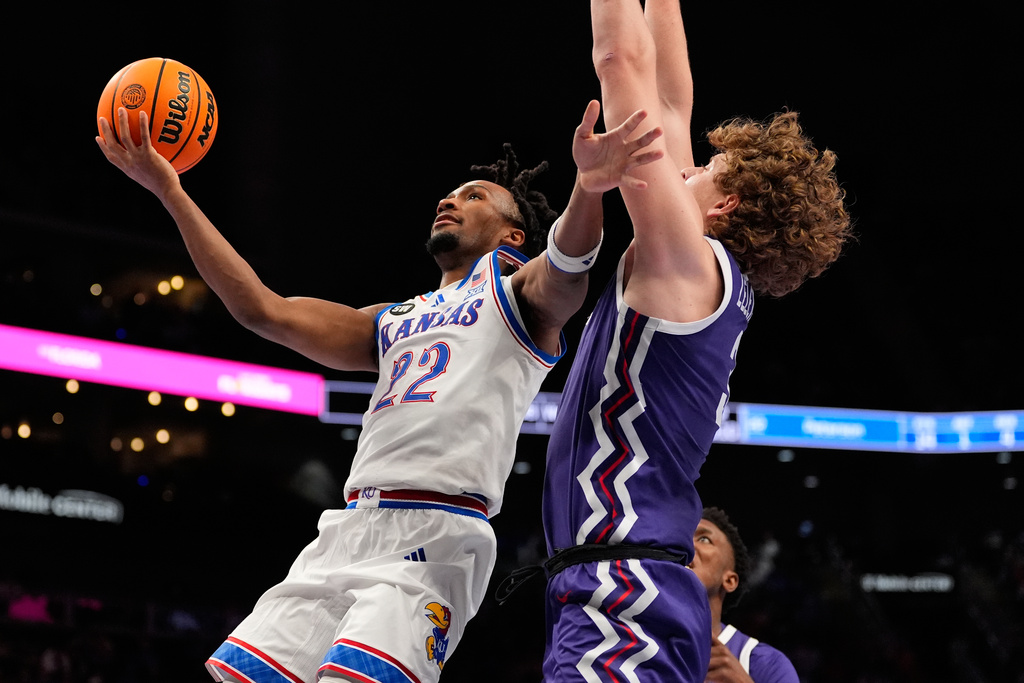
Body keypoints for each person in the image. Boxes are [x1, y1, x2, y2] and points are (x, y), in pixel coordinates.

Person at [95, 100, 662, 682]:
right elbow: (261, 310)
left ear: (513, 234)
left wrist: (590, 187)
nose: (450, 200)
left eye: (474, 197)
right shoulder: (390, 320)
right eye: (451, 194)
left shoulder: (517, 295)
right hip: (349, 525)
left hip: (437, 534)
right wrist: (171, 191)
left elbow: (569, 267)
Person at [540, 1, 851, 681]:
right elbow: (672, 101)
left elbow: (622, 64)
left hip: (625, 592)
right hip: (631, 586)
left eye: (709, 164)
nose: (690, 159)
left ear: (725, 205)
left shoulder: (687, 262)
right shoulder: (700, 273)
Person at [692, 507, 798, 683]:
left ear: (730, 580)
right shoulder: (635, 642)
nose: (686, 545)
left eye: (704, 539)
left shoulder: (766, 665)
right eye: (680, 539)